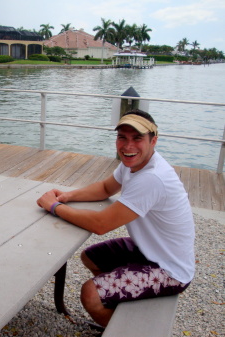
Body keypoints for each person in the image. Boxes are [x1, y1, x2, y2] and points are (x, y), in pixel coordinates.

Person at [37, 109, 195, 327]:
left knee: (90, 294)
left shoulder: (152, 178)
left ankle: (126, 331)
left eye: (137, 138)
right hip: (148, 249)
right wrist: (66, 196)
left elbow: (101, 224)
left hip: (170, 268)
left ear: (153, 140)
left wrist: (53, 206)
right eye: (122, 137)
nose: (128, 146)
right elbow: (104, 188)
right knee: (91, 257)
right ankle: (118, 309)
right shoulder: (134, 164)